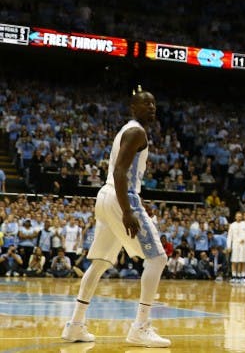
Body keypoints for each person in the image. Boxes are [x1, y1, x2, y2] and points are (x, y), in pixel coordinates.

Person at [61, 88, 170, 347]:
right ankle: (140, 327)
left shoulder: (129, 130)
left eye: (154, 103)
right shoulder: (136, 132)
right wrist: (128, 211)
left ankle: (75, 325)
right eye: (146, 104)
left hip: (106, 196)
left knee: (99, 263)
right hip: (122, 196)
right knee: (158, 257)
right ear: (133, 108)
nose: (152, 107)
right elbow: (121, 172)